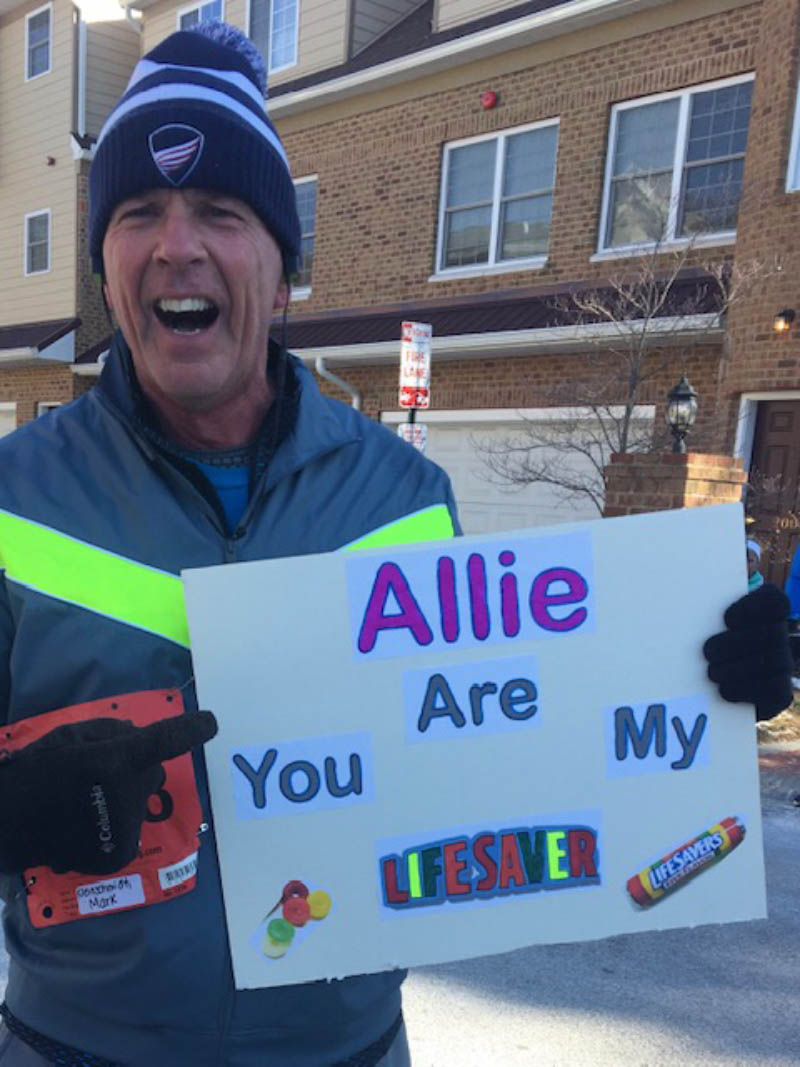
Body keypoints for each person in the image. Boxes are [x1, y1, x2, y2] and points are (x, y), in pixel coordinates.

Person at [0, 21, 791, 1067]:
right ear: (105, 267)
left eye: (221, 212)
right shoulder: (15, 495)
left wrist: (693, 674)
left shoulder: (404, 495)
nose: (175, 244)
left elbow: (501, 729)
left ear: (281, 272)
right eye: (138, 211)